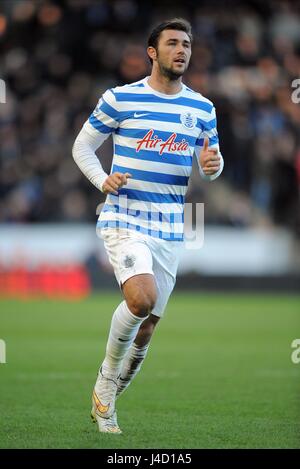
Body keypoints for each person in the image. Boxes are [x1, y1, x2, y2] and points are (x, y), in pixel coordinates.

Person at [72, 18, 224, 434]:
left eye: (187, 44)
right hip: (124, 217)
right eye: (172, 43)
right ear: (152, 52)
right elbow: (82, 146)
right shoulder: (120, 99)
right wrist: (103, 179)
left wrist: (213, 167)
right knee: (140, 300)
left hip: (170, 226)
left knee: (148, 325)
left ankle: (108, 398)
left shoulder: (202, 108)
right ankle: (105, 380)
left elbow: (210, 165)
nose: (182, 50)